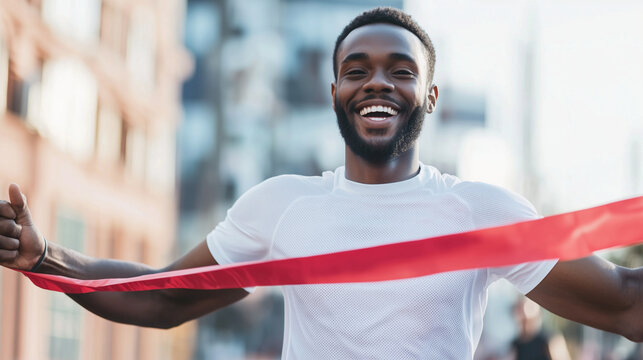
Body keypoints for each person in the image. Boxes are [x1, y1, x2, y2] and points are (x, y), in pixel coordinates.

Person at [0, 7, 641, 360]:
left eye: (401, 70)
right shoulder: (283, 205)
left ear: (432, 95)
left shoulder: (481, 212)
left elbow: (622, 303)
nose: (377, 82)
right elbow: (165, 298)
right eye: (356, 69)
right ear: (333, 91)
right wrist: (44, 256)